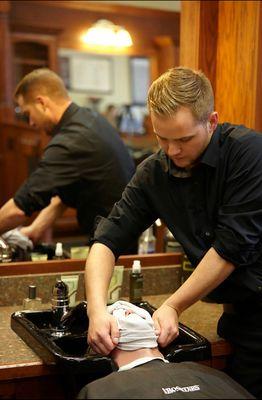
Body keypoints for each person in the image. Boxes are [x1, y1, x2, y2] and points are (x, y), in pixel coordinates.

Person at [85, 66, 262, 398]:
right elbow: (107, 239)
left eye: (183, 139)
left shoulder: (248, 153)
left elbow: (232, 247)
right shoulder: (153, 173)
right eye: (161, 137)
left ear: (211, 121)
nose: (172, 150)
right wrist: (96, 309)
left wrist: (174, 306)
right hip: (240, 316)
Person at [0, 68, 135, 243]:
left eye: (28, 114)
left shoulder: (71, 141)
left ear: (42, 103)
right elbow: (61, 196)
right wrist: (33, 231)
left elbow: (19, 208)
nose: (31, 123)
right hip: (121, 232)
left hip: (118, 243)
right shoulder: (89, 118)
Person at [78, 301, 253, 399]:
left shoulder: (98, 392)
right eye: (118, 312)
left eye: (132, 311)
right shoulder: (213, 376)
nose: (126, 308)